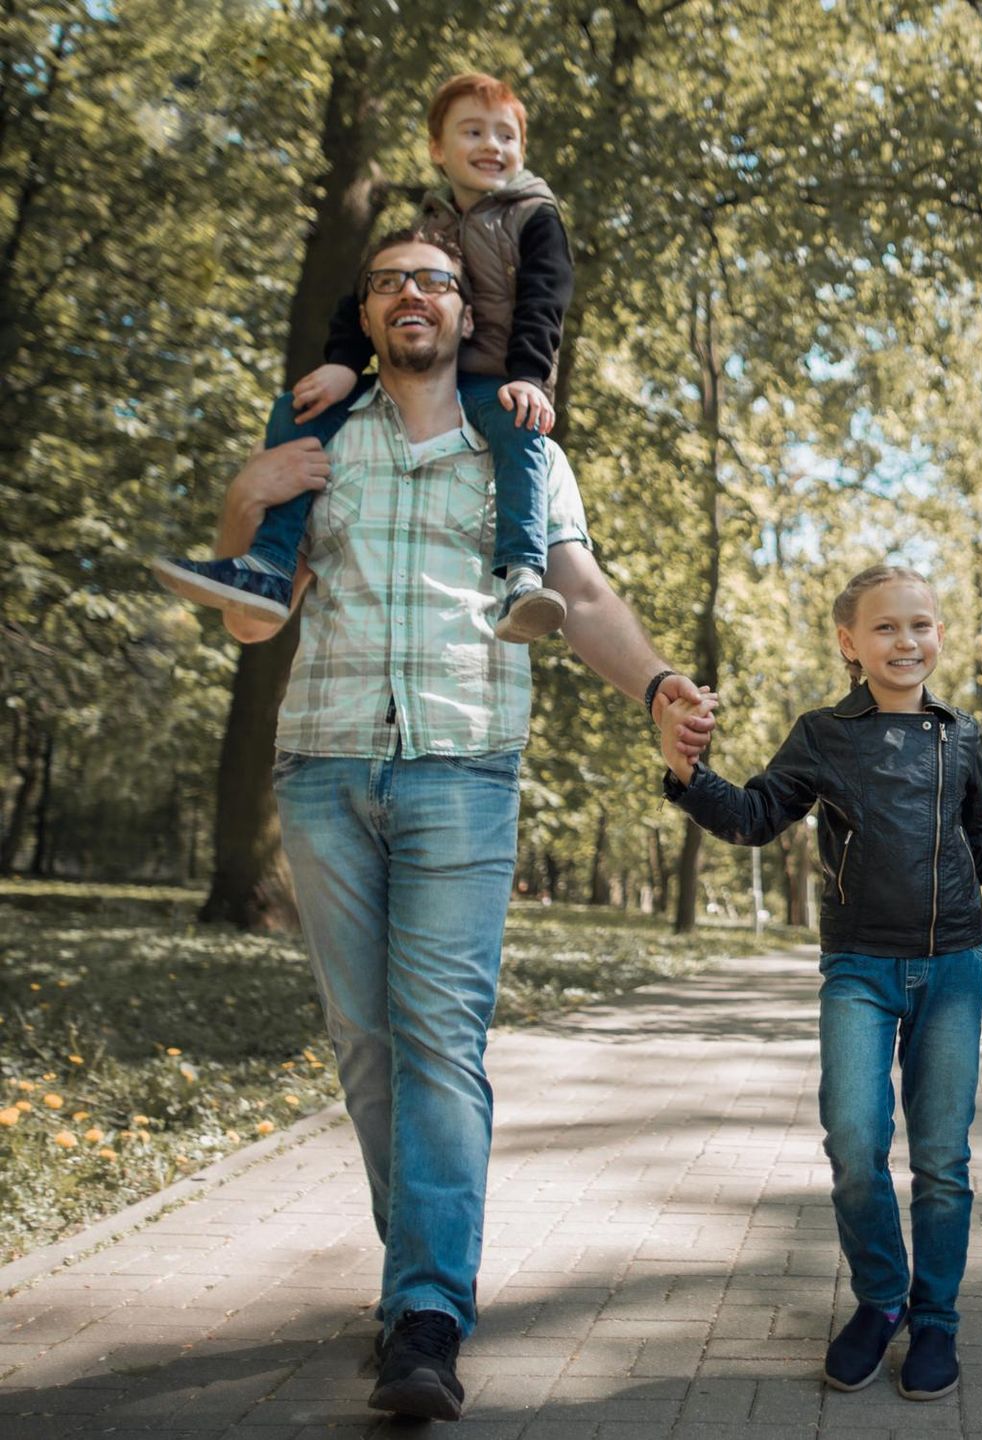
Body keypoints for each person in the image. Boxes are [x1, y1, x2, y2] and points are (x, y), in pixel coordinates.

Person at [208, 226, 712, 1422]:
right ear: (369, 314)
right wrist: (244, 496)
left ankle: (428, 1313)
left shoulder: (520, 445)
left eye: (435, 278)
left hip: (462, 770)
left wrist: (654, 689)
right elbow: (248, 622)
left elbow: (578, 593)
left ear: (464, 309)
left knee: (438, 1040)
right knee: (363, 1039)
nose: (413, 296)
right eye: (389, 283)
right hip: (322, 768)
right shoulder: (318, 438)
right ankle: (414, 1276)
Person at [657, 565, 982, 1403]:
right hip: (858, 968)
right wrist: (686, 775)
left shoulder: (962, 735)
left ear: (940, 635)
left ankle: (938, 1320)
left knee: (943, 1159)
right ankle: (881, 1300)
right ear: (850, 643)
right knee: (853, 1145)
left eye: (921, 624)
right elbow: (751, 817)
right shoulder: (823, 733)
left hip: (952, 969)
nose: (906, 641)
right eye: (885, 627)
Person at [156, 72, 575, 644]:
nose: (491, 147)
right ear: (437, 150)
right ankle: (270, 567)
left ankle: (522, 579)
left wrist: (528, 376)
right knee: (298, 408)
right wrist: (344, 365)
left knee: (521, 431)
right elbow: (367, 297)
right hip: (423, 373)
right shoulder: (427, 226)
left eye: (505, 136)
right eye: (472, 132)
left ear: (521, 152)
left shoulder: (533, 215)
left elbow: (545, 299)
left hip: (499, 376)